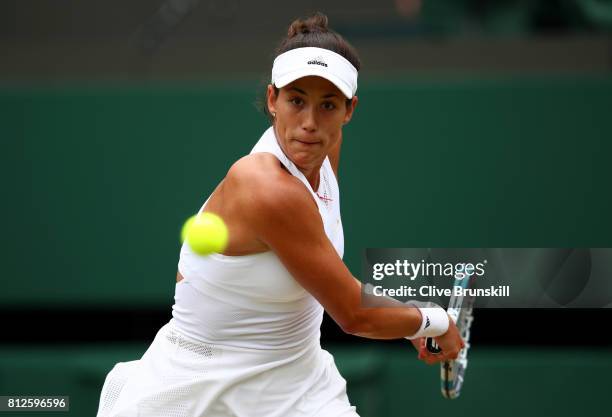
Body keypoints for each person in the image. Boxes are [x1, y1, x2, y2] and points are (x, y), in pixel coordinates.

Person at [96, 12, 463, 417]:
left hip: (298, 384)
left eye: (327, 105)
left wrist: (409, 318)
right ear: (273, 100)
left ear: (348, 110)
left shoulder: (321, 152)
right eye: (296, 101)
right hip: (202, 392)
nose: (309, 123)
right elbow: (354, 315)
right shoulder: (265, 187)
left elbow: (332, 280)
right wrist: (432, 321)